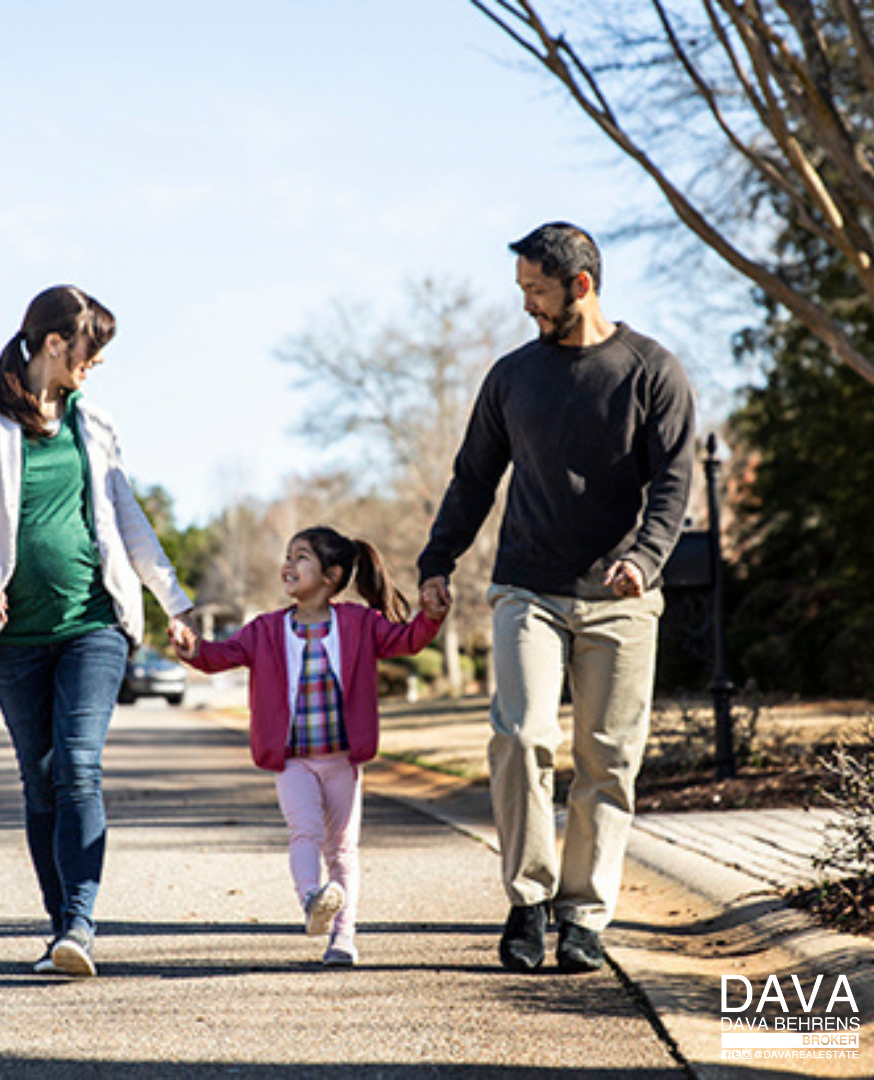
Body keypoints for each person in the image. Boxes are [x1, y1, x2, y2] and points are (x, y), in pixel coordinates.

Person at [417, 223, 695, 974]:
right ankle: (528, 899)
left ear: (580, 285)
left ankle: (584, 913)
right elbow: (474, 477)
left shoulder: (651, 372)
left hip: (621, 594)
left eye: (536, 291)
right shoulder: (512, 378)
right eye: (522, 292)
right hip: (528, 589)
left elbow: (673, 485)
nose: (527, 306)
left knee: (607, 757)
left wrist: (644, 558)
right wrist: (438, 559)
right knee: (521, 734)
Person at [0, 285, 196, 978]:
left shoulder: (96, 423)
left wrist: (173, 598)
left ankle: (80, 920)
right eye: (92, 349)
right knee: (41, 777)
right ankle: (62, 932)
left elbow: (126, 516)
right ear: (56, 343)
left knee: (78, 764)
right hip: (11, 633)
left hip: (93, 621)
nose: (97, 363)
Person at [172, 526, 449, 966]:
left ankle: (343, 937)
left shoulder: (359, 623)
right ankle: (312, 902)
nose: (288, 564)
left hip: (342, 760)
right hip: (294, 762)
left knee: (342, 850)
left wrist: (431, 616)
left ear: (331, 575)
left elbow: (408, 640)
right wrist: (192, 649)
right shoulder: (265, 629)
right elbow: (220, 656)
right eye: (287, 555)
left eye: (301, 557)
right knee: (304, 833)